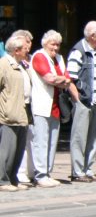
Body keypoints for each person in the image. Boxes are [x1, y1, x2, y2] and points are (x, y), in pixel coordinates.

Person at [28, 30, 71, 187]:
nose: (56, 48)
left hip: (56, 106)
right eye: (53, 44)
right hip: (41, 104)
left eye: (58, 45)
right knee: (41, 140)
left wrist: (62, 80)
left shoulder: (59, 58)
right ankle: (40, 174)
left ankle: (47, 172)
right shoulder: (39, 56)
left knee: (52, 141)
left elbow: (67, 78)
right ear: (45, 44)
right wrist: (62, 80)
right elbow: (49, 78)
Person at [67, 21, 96, 182]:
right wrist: (78, 100)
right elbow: (70, 79)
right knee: (79, 137)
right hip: (84, 102)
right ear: (91, 36)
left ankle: (88, 170)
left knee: (93, 138)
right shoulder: (78, 52)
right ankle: (78, 172)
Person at [0, 33, 32, 191]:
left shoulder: (22, 64)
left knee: (18, 150)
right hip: (8, 114)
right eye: (24, 48)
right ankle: (2, 180)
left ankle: (13, 178)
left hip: (22, 112)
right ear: (16, 50)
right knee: (7, 150)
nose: (27, 50)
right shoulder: (4, 64)